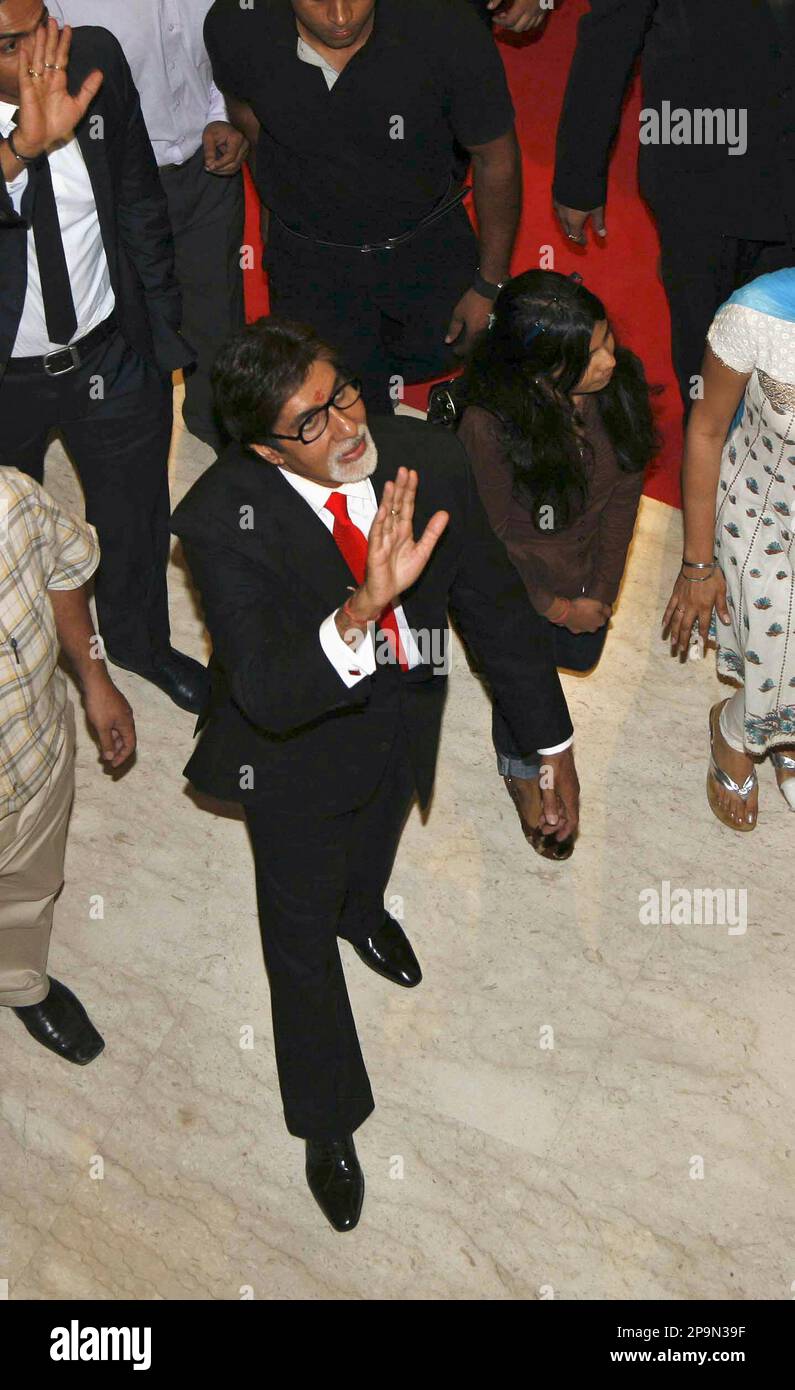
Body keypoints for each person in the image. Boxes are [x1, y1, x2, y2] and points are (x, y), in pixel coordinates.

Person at [170, 317, 579, 1231]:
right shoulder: (216, 520)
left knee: (374, 847)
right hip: (293, 758)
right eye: (309, 422)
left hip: (402, 721)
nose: (345, 424)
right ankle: (325, 1121)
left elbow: (492, 607)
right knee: (297, 941)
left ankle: (366, 911)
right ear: (265, 448)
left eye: (341, 393)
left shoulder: (420, 454)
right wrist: (363, 605)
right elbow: (270, 691)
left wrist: (548, 743)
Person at [0, 9, 207, 713]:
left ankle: (138, 643)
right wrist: (24, 146)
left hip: (111, 353)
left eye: (41, 24)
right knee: (12, 536)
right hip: (6, 380)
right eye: (8, 44)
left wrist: (159, 331)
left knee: (134, 515)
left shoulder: (92, 60)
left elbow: (137, 197)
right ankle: (29, 658)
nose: (38, 55)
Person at [203, 0, 521, 413]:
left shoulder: (447, 24)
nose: (340, 17)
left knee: (465, 374)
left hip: (428, 250)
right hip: (311, 267)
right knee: (336, 410)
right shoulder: (235, 24)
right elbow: (251, 119)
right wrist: (275, 209)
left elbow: (495, 156)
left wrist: (490, 284)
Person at [456, 270, 657, 857]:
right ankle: (527, 773)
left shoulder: (615, 389)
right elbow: (490, 548)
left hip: (582, 580)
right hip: (515, 589)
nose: (610, 362)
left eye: (607, 341)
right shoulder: (487, 426)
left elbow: (625, 490)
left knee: (551, 663)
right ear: (540, 368)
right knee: (522, 673)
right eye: (590, 354)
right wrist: (556, 606)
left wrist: (601, 592)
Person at [553, 0, 795, 413]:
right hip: (699, 181)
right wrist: (579, 177)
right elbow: (613, 30)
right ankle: (711, 471)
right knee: (709, 357)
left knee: (784, 365)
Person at [50, 0, 248, 453]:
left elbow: (230, 50)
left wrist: (222, 114)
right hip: (117, 183)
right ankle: (130, 455)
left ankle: (222, 437)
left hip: (208, 169)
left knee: (217, 313)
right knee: (128, 328)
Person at [0, 466, 135, 1062]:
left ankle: (20, 981)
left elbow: (64, 567)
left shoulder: (10, 498)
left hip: (34, 759)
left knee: (30, 890)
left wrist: (96, 680)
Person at [663, 268, 795, 832]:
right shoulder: (756, 313)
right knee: (780, 617)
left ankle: (782, 728)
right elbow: (707, 431)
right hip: (759, 501)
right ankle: (737, 729)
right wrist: (697, 564)